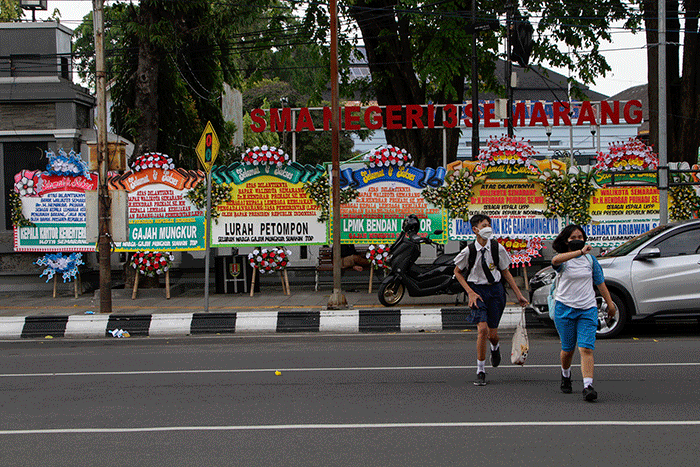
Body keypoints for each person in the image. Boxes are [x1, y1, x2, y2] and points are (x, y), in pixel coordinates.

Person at [454, 214, 529, 386]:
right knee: (482, 330)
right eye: (484, 225)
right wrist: (470, 293)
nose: (488, 228)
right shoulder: (469, 251)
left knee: (492, 334)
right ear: (475, 229)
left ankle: (495, 348)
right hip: (477, 291)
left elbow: (505, 272)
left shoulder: (497, 248)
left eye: (489, 225)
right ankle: (480, 370)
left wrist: (519, 294)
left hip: (495, 291)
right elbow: (457, 272)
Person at [551, 224, 617, 402]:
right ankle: (566, 375)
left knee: (586, 348)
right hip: (564, 308)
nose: (577, 240)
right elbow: (555, 261)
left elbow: (600, 282)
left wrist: (610, 304)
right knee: (568, 349)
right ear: (566, 241)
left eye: (580, 237)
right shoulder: (564, 260)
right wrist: (579, 252)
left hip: (587, 308)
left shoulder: (590, 261)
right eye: (573, 238)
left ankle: (588, 386)